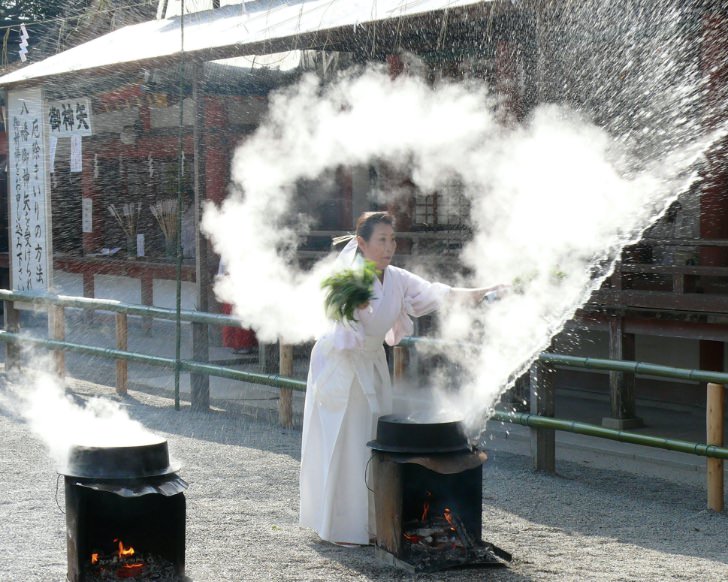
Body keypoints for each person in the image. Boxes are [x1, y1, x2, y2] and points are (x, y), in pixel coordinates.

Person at [298, 211, 506, 547]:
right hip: (342, 362)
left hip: (372, 360)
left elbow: (439, 293)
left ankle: (373, 521)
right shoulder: (348, 275)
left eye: (392, 239)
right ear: (362, 243)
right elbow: (334, 312)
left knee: (374, 438)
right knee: (348, 440)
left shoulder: (395, 278)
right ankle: (339, 527)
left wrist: (486, 290)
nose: (389, 246)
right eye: (381, 240)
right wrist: (353, 305)